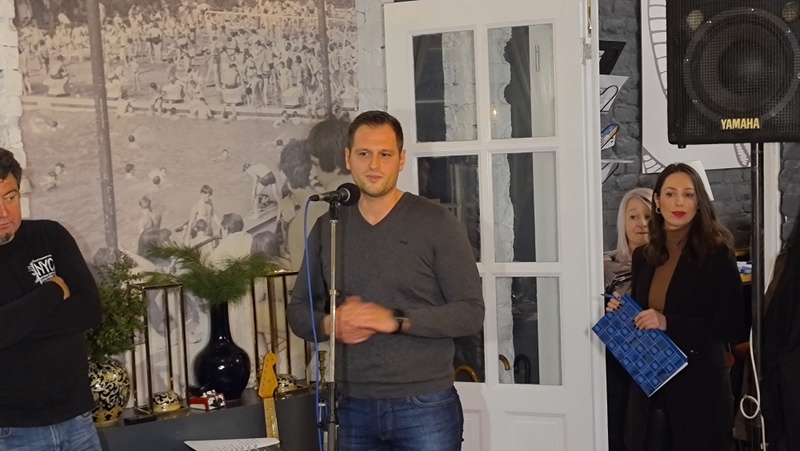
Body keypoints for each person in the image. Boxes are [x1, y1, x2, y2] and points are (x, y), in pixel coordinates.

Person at [287, 110, 485, 450]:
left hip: (425, 404)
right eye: (364, 153)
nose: (374, 165)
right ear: (348, 158)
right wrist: (330, 324)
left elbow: (470, 313)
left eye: (385, 154)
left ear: (401, 160)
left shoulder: (436, 223)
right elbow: (298, 310)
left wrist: (395, 320)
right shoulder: (328, 227)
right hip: (349, 405)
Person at [606, 163, 744, 451]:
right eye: (670, 194)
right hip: (652, 383)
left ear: (699, 202)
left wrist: (668, 322)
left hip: (699, 387)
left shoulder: (717, 253)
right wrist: (622, 312)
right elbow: (645, 319)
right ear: (657, 201)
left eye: (688, 194)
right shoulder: (644, 256)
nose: (679, 202)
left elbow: (733, 324)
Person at [0, 148, 103, 450]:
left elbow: (89, 309)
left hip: (78, 420)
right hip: (12, 431)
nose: (3, 212)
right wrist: (54, 290)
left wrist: (16, 322)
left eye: (10, 197)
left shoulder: (50, 235)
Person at [602, 187, 652, 451]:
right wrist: (606, 309)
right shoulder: (603, 265)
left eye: (649, 217)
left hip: (656, 357)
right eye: (633, 217)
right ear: (622, 222)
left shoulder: (668, 265)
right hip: (616, 361)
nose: (642, 224)